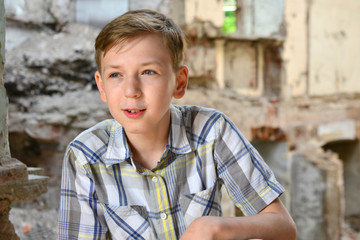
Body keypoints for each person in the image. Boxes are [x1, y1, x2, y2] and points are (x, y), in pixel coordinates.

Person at [58, 9, 296, 240]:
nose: (131, 91)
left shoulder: (211, 131)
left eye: (148, 72)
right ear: (101, 86)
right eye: (116, 75)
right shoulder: (84, 156)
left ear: (179, 82)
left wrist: (215, 228)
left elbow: (283, 228)